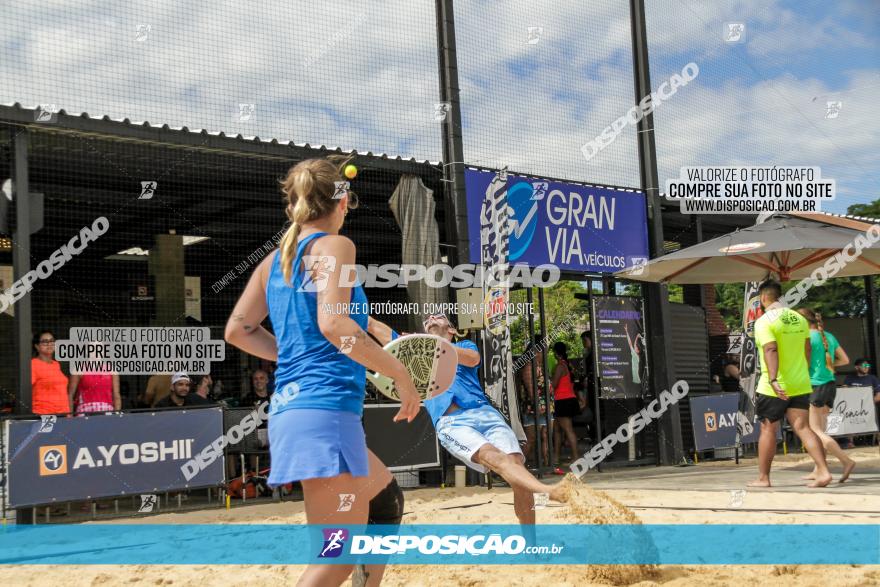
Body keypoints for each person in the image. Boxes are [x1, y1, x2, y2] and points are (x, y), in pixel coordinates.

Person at [224, 156, 419, 587]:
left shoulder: (274, 261)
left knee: (385, 505)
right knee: (335, 557)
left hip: (300, 411)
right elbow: (334, 324)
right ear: (342, 200)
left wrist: (297, 355)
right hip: (325, 412)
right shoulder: (336, 246)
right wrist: (400, 375)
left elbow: (238, 330)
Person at [369, 313, 571, 526]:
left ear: (452, 330)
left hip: (485, 413)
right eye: (427, 319)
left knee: (516, 467)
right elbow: (372, 325)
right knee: (494, 457)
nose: (431, 317)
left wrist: (429, 344)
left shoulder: (464, 345)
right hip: (452, 422)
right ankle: (548, 491)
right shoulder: (411, 350)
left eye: (439, 316)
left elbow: (472, 359)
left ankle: (531, 546)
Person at [747, 280, 831, 488]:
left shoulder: (764, 321)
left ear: (763, 298)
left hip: (773, 385)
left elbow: (770, 350)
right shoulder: (799, 319)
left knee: (768, 429)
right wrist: (804, 373)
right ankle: (823, 471)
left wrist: (774, 379)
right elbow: (808, 350)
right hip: (800, 382)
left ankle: (763, 478)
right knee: (803, 427)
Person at [797, 308, 854, 482]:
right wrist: (828, 365)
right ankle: (818, 468)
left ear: (804, 322)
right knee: (821, 430)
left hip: (816, 386)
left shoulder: (806, 338)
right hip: (830, 384)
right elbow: (845, 360)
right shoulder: (828, 336)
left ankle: (846, 460)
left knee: (815, 431)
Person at [517, 342, 551, 468]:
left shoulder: (540, 366)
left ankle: (547, 464)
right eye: (543, 351)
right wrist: (538, 404)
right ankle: (517, 465)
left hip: (544, 405)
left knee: (545, 435)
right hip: (534, 407)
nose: (545, 354)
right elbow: (531, 390)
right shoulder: (529, 367)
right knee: (531, 438)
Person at [550, 342, 581, 471]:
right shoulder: (567, 365)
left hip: (563, 400)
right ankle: (556, 457)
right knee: (557, 430)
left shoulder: (560, 366)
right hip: (566, 399)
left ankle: (576, 458)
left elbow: (555, 384)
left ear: (556, 353)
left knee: (567, 429)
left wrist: (548, 379)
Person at [68, 344, 120, 414]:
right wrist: (70, 416)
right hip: (85, 412)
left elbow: (116, 395)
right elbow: (70, 395)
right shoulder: (79, 369)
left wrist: (117, 415)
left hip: (107, 412)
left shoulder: (112, 370)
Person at [31, 330, 70, 415]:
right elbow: (26, 389)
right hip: (43, 415)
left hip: (63, 415)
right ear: (37, 346)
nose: (49, 344)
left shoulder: (56, 364)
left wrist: (68, 413)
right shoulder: (33, 364)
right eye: (45, 341)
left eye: (52, 341)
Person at [843, 358, 880, 448]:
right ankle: (850, 442)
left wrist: (869, 404)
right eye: (864, 366)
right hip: (852, 407)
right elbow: (843, 392)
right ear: (856, 367)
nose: (866, 367)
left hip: (869, 407)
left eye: (868, 366)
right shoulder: (849, 378)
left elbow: (879, 395)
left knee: (876, 417)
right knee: (847, 416)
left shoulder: (873, 378)